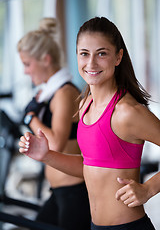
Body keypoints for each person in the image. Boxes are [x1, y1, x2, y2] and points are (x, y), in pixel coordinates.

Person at [18, 16, 160, 230]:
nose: (91, 63)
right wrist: (46, 155)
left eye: (101, 54)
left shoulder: (127, 112)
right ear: (76, 56)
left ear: (118, 56)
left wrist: (148, 189)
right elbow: (89, 166)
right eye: (84, 54)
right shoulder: (85, 105)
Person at [17, 17, 91, 230]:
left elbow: (56, 143)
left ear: (46, 59)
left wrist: (31, 118)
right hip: (60, 191)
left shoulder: (64, 93)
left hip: (74, 192)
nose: (25, 71)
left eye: (27, 64)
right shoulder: (50, 93)